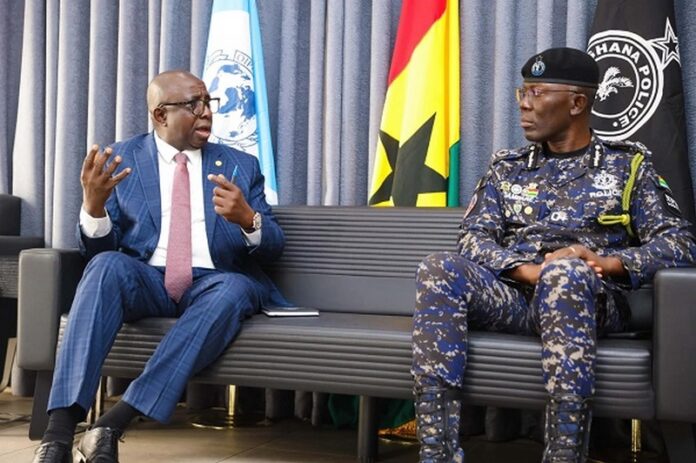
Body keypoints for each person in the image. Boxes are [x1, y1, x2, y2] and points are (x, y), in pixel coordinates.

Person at [411, 47, 696, 463]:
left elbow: (679, 243)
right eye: (522, 92)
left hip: (590, 299)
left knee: (565, 274)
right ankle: (436, 454)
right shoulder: (506, 167)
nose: (524, 104)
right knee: (438, 268)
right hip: (515, 297)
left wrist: (611, 263)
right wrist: (525, 271)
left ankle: (564, 456)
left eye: (538, 92)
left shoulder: (629, 166)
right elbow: (472, 237)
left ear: (577, 103)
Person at [33, 70, 286, 463]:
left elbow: (273, 247)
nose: (206, 112)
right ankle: (59, 435)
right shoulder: (122, 159)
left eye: (208, 102)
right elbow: (99, 247)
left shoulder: (241, 165)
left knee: (236, 288)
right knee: (104, 266)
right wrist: (94, 208)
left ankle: (112, 424)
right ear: (160, 115)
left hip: (212, 283)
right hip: (146, 280)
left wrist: (248, 219)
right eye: (193, 104)